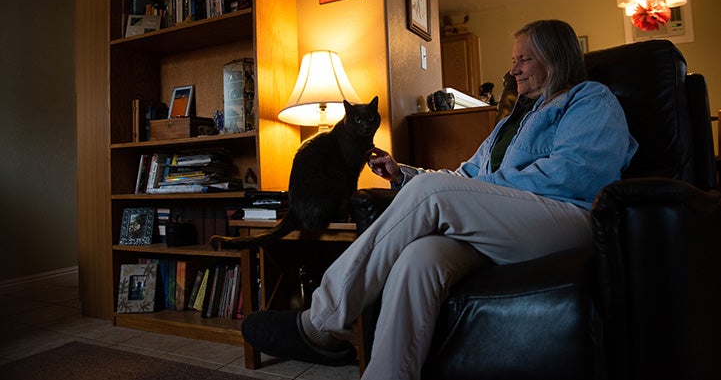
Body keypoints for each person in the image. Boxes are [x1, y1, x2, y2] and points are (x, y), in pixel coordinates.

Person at [241, 20, 638, 379]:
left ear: (555, 59)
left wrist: (492, 191)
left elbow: (578, 174)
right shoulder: (508, 125)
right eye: (513, 60)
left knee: (432, 196)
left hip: (569, 221)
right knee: (421, 258)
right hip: (502, 230)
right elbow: (463, 179)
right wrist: (403, 174)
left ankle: (321, 322)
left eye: (525, 59)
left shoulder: (589, 99)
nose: (513, 69)